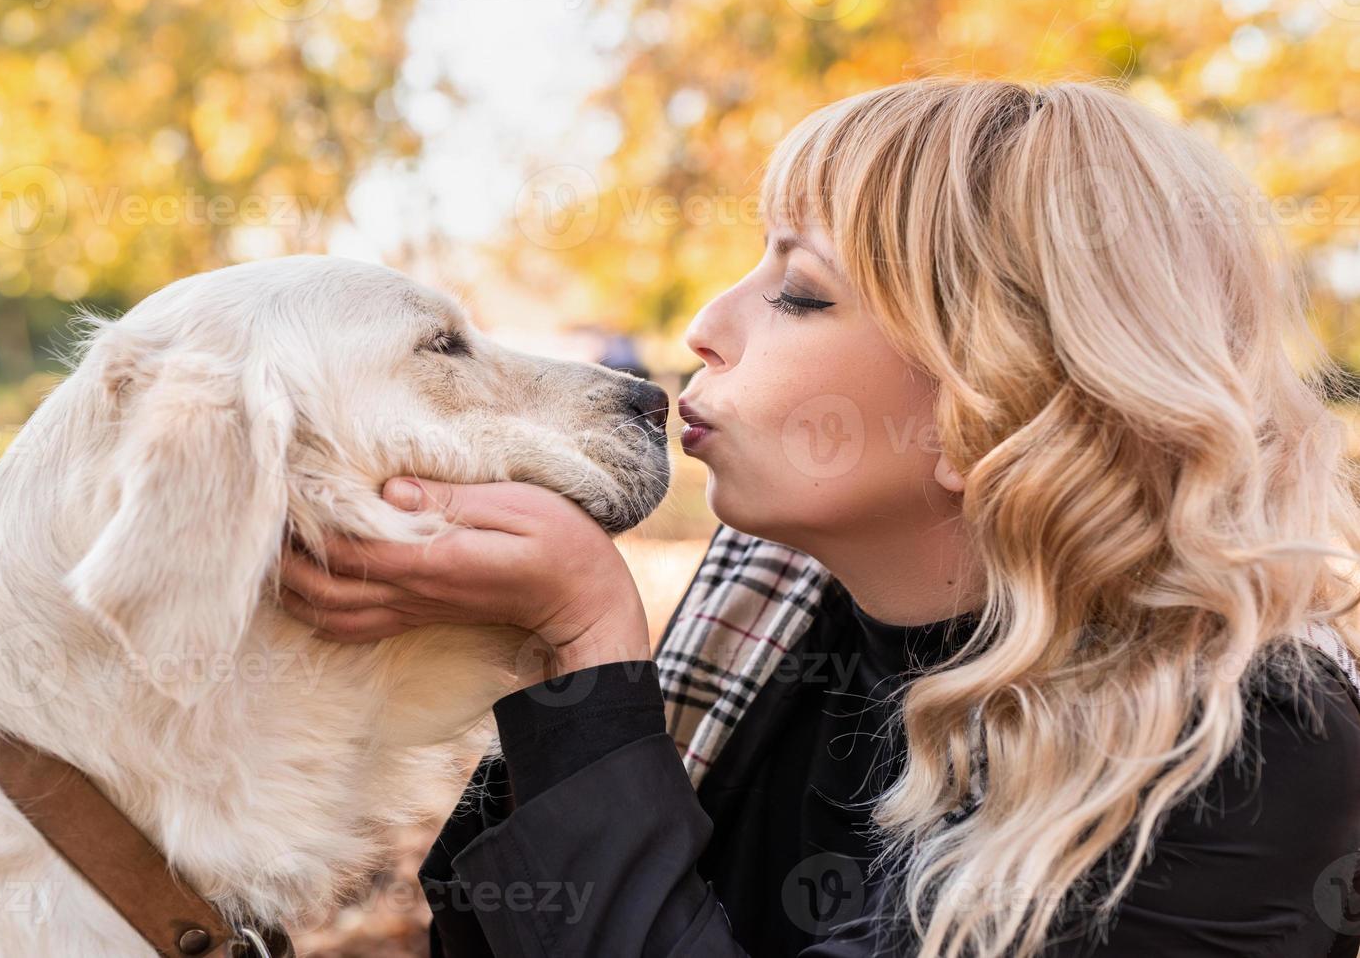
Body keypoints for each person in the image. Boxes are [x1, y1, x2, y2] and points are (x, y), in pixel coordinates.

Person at [277, 78, 1360, 957]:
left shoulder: (1241, 754)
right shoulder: (774, 604)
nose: (704, 324)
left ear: (998, 393)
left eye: (797, 292)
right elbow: (488, 936)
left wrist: (585, 654)